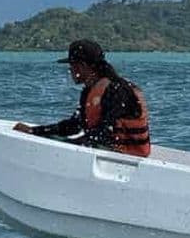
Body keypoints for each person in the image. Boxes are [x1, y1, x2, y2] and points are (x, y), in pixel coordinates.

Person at [13, 39, 151, 157]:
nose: (70, 71)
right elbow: (73, 126)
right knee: (54, 139)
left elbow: (104, 133)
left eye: (71, 66)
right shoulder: (90, 90)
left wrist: (71, 145)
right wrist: (35, 131)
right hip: (107, 151)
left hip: (126, 157)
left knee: (60, 142)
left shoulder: (118, 91)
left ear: (81, 66)